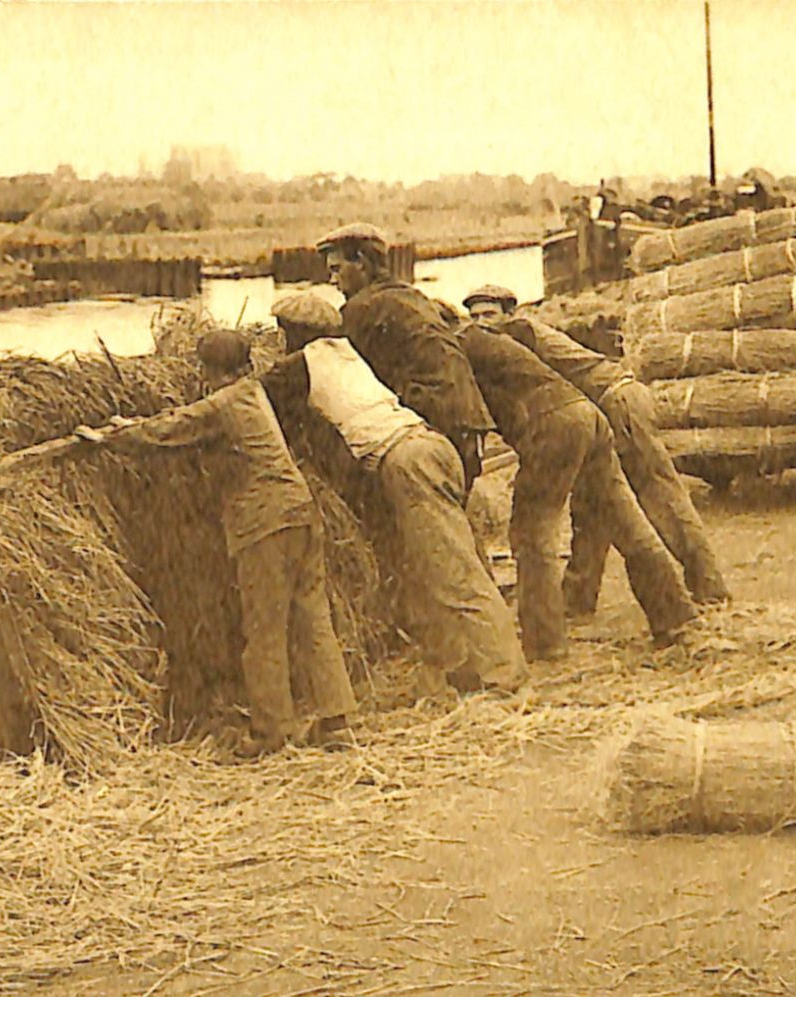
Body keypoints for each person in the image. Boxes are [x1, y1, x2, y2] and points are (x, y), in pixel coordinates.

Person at [76, 329, 358, 756]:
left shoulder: (225, 401)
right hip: (301, 509)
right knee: (312, 616)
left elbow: (171, 429)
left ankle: (270, 731)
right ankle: (336, 719)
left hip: (265, 521)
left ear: (209, 371)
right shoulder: (253, 392)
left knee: (264, 628)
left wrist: (116, 435)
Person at [262, 294, 528, 695]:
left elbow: (253, 398)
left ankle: (507, 678)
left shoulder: (302, 363)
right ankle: (462, 668)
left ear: (293, 333)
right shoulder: (350, 355)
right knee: (437, 567)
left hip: (408, 459)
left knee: (455, 575)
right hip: (431, 445)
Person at [463, 285, 731, 608]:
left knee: (660, 495)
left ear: (509, 314)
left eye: (489, 315)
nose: (481, 323)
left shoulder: (518, 333)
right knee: (591, 503)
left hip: (617, 400)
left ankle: (710, 588)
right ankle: (578, 596)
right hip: (600, 411)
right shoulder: (503, 339)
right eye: (474, 316)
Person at [453, 320, 699, 658]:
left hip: (553, 425)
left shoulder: (456, 348)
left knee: (532, 535)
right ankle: (676, 617)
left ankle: (545, 645)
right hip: (589, 414)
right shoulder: (488, 339)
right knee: (628, 523)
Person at [318, 222, 497, 494]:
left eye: (336, 269)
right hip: (471, 421)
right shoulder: (413, 296)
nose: (332, 281)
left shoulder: (361, 309)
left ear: (362, 263)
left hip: (434, 427)